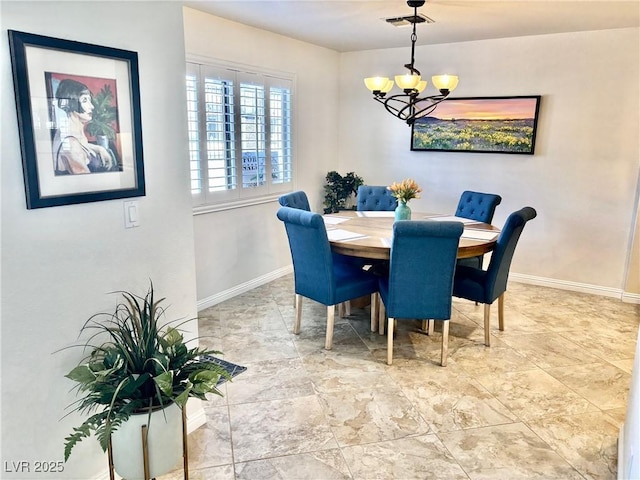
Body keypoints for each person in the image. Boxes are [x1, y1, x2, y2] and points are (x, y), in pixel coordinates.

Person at [53, 79, 116, 175]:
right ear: (72, 103)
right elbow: (86, 183)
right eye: (85, 100)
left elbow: (81, 145)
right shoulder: (70, 143)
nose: (92, 106)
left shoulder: (72, 132)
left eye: (90, 100)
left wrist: (99, 149)